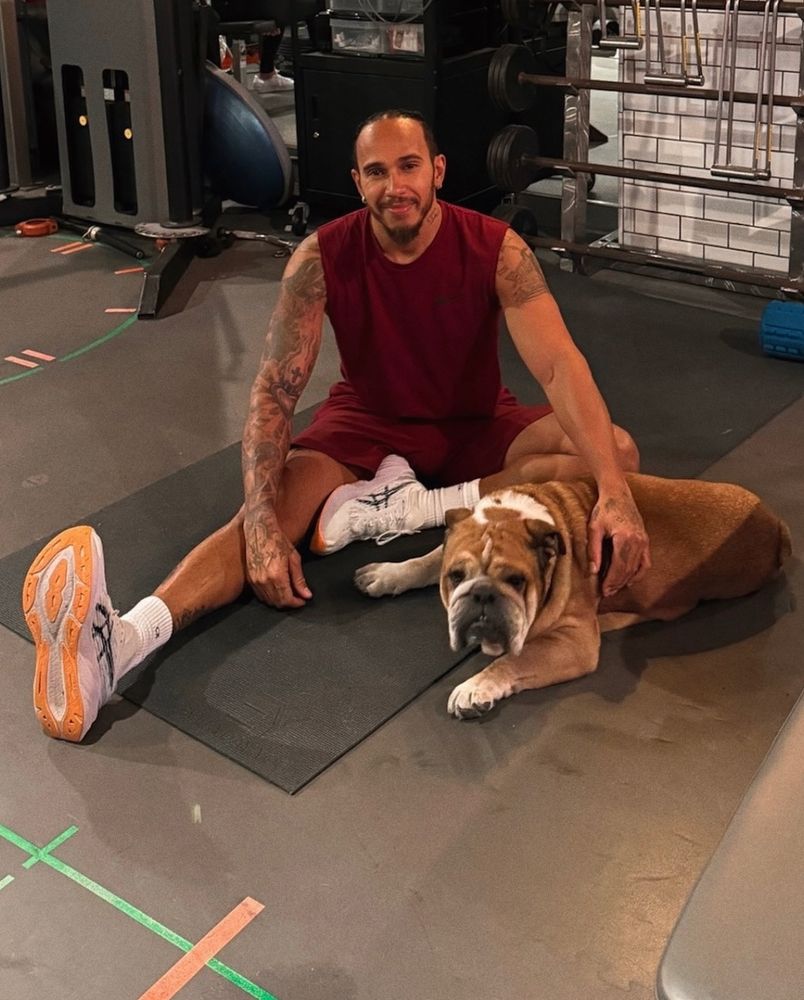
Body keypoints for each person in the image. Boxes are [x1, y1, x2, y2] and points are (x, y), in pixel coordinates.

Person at [23, 109, 650, 744]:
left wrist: (615, 495)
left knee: (615, 455)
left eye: (409, 166)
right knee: (262, 519)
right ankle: (122, 642)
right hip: (367, 422)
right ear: (358, 182)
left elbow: (559, 366)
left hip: (476, 422)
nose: (395, 186)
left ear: (437, 171)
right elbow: (275, 390)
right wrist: (263, 526)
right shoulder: (319, 258)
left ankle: (410, 507)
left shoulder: (497, 249)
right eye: (377, 172)